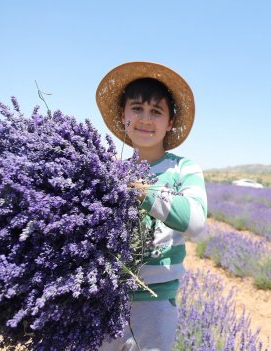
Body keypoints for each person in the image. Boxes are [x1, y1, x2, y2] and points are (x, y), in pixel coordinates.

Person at [96, 62, 207, 351]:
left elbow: (196, 221)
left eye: (156, 111)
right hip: (107, 299)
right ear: (123, 116)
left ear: (170, 122)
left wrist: (144, 192)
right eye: (137, 109)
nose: (145, 118)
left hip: (157, 303)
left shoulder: (183, 168)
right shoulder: (107, 171)